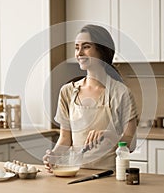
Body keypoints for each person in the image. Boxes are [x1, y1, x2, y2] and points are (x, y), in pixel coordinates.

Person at [43, 24, 138, 171]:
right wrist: (54, 156)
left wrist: (111, 136)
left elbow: (131, 145)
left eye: (86, 47)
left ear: (102, 50)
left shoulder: (121, 93)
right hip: (75, 172)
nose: (79, 53)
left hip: (109, 176)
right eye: (76, 47)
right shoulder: (67, 91)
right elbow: (65, 139)